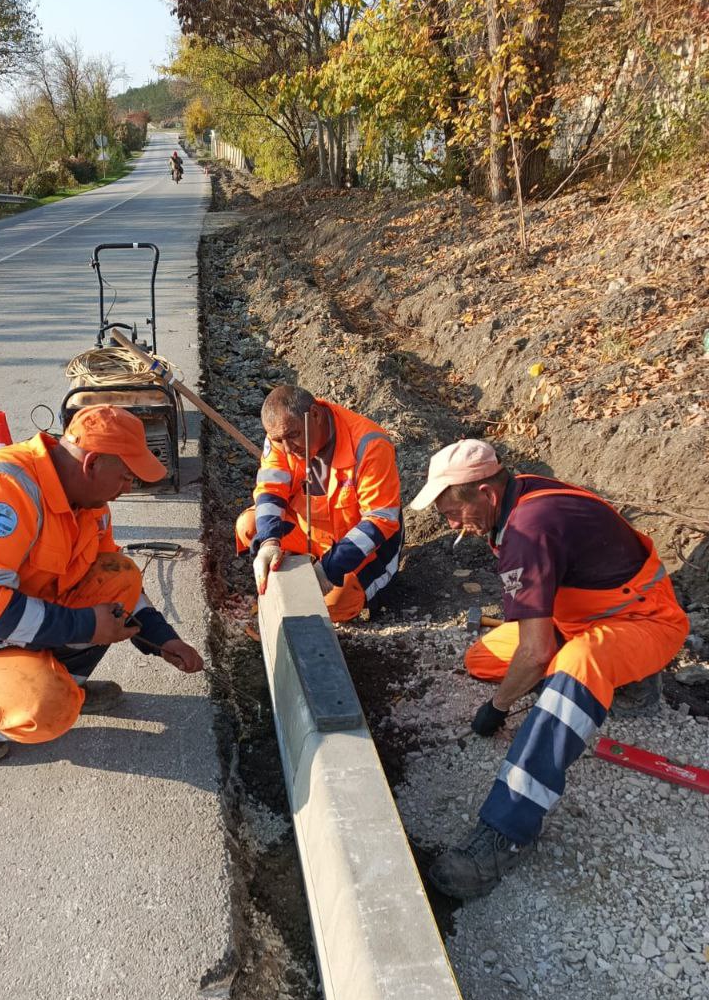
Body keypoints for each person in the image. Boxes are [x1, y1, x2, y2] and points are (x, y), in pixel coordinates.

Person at [409, 439, 689, 899]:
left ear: (486, 492)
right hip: (584, 618)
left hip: (644, 621)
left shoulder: (527, 530)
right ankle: (610, 682)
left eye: (452, 513)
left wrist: (498, 708)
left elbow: (537, 653)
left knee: (576, 663)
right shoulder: (518, 496)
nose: (452, 525)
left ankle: (506, 831)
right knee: (481, 659)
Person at [0, 406, 203, 765]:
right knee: (48, 708)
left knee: (120, 573)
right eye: (126, 476)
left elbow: (116, 586)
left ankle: (64, 683)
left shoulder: (91, 504)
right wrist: (87, 625)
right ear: (92, 463)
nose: (128, 488)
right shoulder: (4, 490)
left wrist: (163, 639)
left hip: (5, 609)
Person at [235, 385, 403, 622]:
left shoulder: (369, 445)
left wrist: (329, 569)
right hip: (313, 533)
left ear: (315, 415)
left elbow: (380, 520)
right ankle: (295, 570)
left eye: (293, 436)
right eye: (278, 440)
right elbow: (270, 489)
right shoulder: (281, 433)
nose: (287, 449)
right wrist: (269, 542)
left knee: (335, 604)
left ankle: (324, 576)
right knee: (250, 526)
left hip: (362, 549)